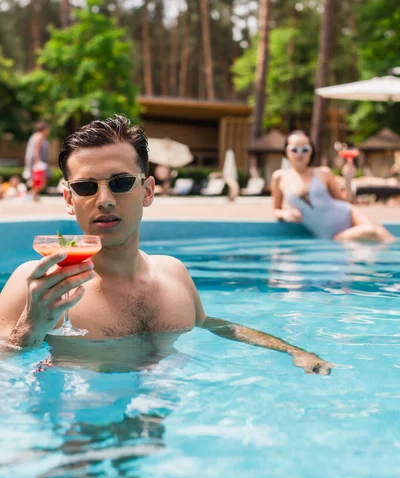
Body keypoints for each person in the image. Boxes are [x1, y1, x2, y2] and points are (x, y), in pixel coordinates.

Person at [0, 116, 332, 375]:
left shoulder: (173, 273)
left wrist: (291, 350)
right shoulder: (37, 285)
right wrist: (30, 327)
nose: (104, 200)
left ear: (147, 191)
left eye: (120, 183)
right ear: (69, 200)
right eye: (87, 186)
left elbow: (212, 325)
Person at [271, 130, 395, 242]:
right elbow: (276, 209)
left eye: (305, 149)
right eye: (294, 149)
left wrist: (347, 178)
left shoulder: (323, 173)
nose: (300, 154)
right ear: (286, 151)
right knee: (371, 232)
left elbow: (347, 201)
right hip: (330, 235)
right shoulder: (279, 177)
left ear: (311, 152)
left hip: (348, 213)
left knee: (387, 238)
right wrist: (285, 214)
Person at [24, 121, 50, 201]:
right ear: (44, 129)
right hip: (37, 162)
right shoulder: (39, 136)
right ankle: (30, 194)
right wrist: (37, 163)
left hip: (32, 161)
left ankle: (33, 195)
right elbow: (36, 150)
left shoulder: (34, 136)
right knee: (39, 180)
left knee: (35, 179)